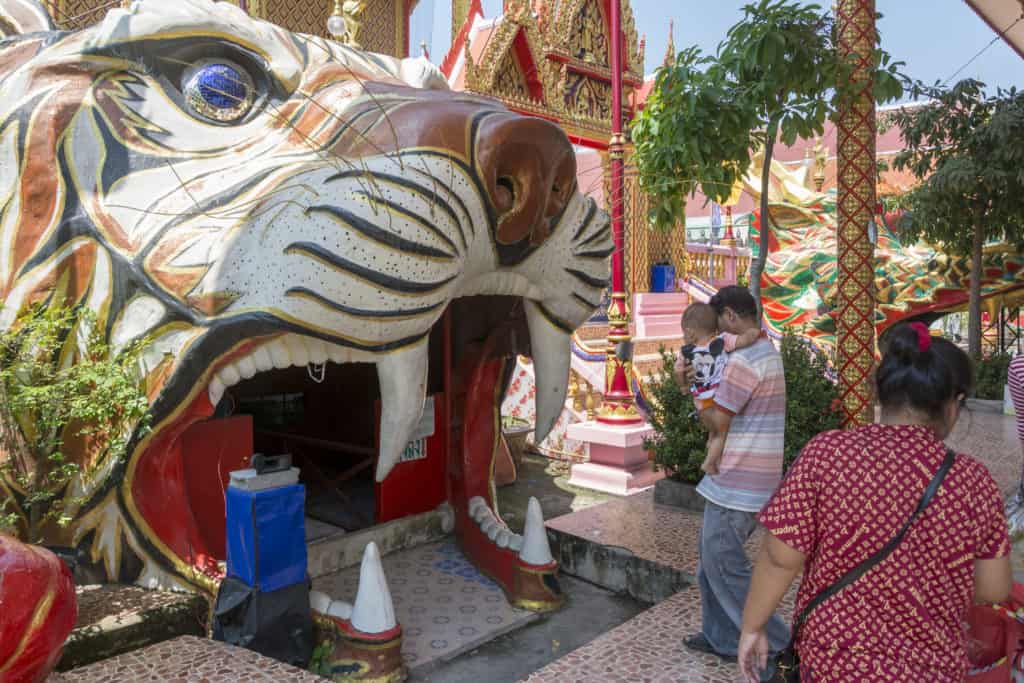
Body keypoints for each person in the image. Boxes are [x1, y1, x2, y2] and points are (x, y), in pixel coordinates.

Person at [738, 322, 1012, 683]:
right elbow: (994, 588)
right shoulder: (973, 480)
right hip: (932, 670)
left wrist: (752, 626)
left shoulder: (828, 454)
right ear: (953, 403)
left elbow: (780, 557)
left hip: (834, 664)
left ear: (880, 392)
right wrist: (923, 574)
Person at [676, 286, 790, 665]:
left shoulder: (743, 362)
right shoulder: (764, 350)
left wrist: (690, 388)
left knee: (724, 565)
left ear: (729, 316)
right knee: (711, 564)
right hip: (750, 478)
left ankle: (780, 641)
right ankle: (721, 636)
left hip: (738, 482)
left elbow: (716, 420)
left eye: (716, 324)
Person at [677, 302, 760, 475]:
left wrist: (684, 387)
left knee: (713, 431)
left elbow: (678, 372)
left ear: (690, 332)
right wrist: (754, 332)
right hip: (717, 398)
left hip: (700, 400)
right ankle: (709, 463)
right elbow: (744, 340)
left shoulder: (686, 351)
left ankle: (710, 444)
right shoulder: (722, 341)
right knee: (722, 433)